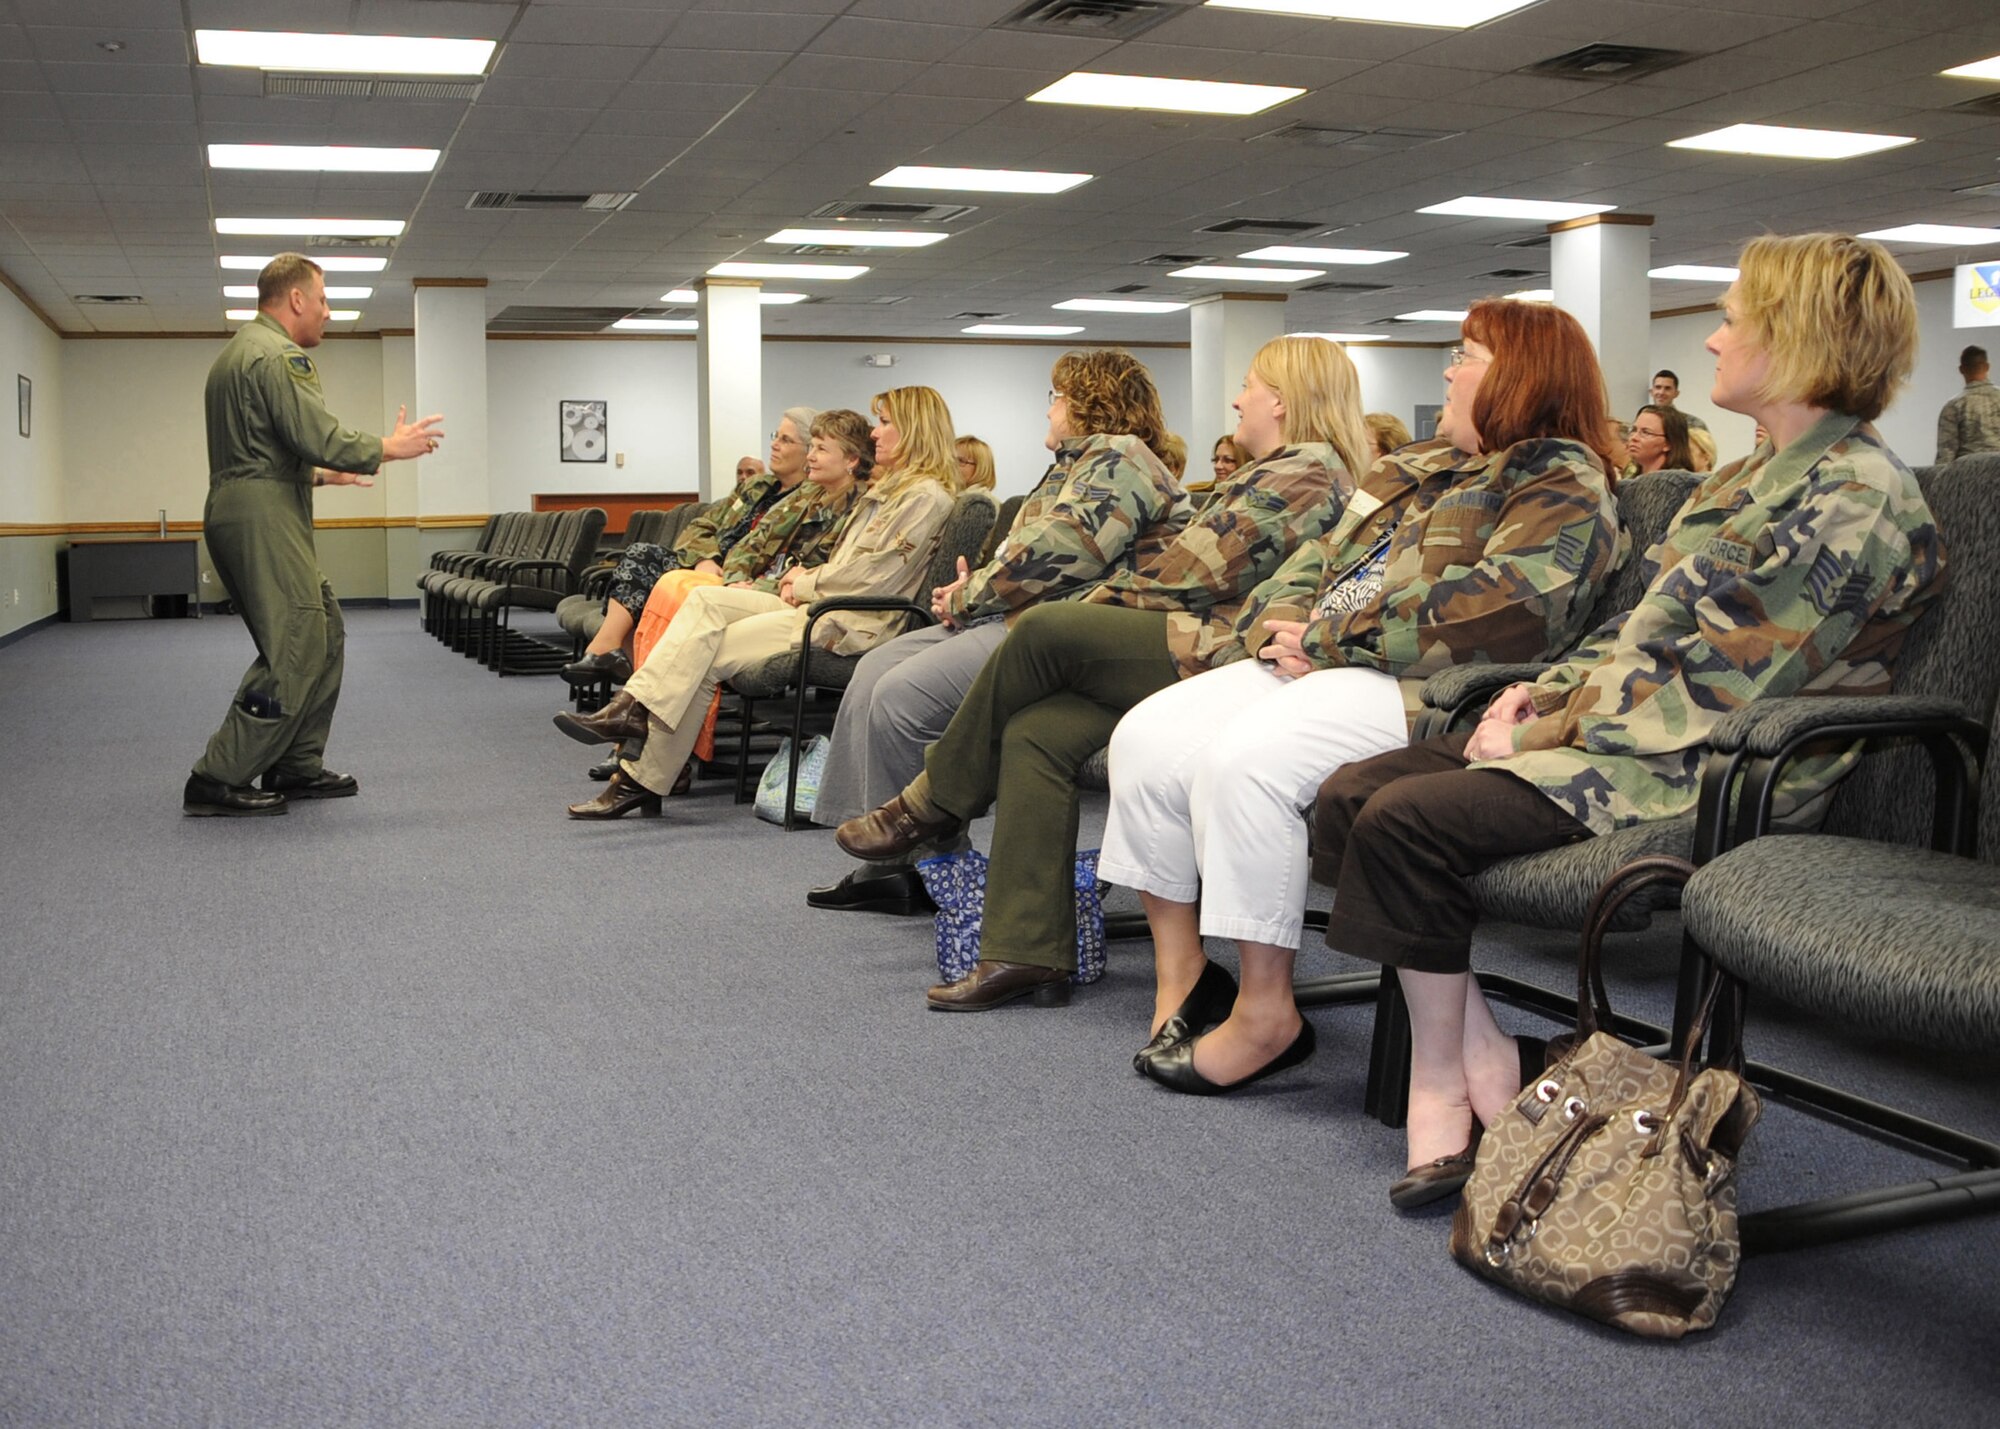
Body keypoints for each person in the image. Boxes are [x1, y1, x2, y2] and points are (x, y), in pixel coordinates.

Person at [1311, 233, 1946, 1208]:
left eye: (1730, 320)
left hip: (1714, 772)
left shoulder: (1852, 498)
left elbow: (1716, 692)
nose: (1711, 341)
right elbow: (1634, 633)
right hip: (1622, 742)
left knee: (1404, 823)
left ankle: (1439, 1085)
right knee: (1350, 793)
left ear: (1796, 339)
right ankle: (1484, 1052)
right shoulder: (1743, 479)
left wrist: (1531, 734)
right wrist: (1538, 694)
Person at [1099, 299, 1628, 1090]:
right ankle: (1185, 977)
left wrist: (1329, 639)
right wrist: (1284, 625)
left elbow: (1506, 610)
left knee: (1243, 764)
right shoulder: (1410, 466)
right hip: (1318, 655)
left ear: (1521, 376)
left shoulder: (1560, 476)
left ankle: (1266, 1012)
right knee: (1143, 739)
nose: (1448, 371)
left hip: (1415, 685)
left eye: (1466, 356)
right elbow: (1318, 561)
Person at [833, 336, 1373, 1011]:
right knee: (1035, 734)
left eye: (1248, 384)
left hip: (1218, 655)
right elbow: (1179, 567)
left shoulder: (1307, 472)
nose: (1237, 398)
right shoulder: (1273, 471)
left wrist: (1096, 597)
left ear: (1283, 401)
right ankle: (1027, 951)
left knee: (1044, 627)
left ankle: (932, 800)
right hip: (1188, 642)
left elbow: (1189, 574)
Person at [804, 350, 1189, 915]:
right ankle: (896, 866)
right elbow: (1026, 555)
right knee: (874, 668)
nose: (1050, 408)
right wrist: (973, 586)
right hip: (1016, 613)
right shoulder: (1075, 465)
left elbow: (1059, 554)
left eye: (1057, 397)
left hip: (1060, 633)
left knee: (902, 696)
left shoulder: (1121, 459)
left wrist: (970, 594)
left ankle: (937, 864)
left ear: (1089, 403)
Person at [552, 395, 958, 818]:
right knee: (703, 613)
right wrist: (803, 581)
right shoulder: (893, 490)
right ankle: (636, 738)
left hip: (849, 623)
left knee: (703, 639)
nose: (875, 432)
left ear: (914, 429)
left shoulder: (923, 498)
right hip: (826, 607)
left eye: (885, 422)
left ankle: (636, 753)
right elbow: (848, 565)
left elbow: (875, 576)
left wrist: (804, 581)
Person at [183, 254, 444, 817]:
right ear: (296, 298)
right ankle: (217, 775)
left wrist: (326, 476)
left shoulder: (238, 353)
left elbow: (262, 452)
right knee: (296, 642)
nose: (328, 312)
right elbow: (315, 434)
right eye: (323, 300)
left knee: (323, 627)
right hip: (262, 517)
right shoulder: (280, 355)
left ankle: (296, 764)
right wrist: (388, 448)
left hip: (247, 505)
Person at [563, 411, 816, 683]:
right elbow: (700, 526)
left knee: (644, 569)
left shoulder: (809, 499)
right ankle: (620, 663)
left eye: (786, 440)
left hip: (738, 580)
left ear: (808, 452)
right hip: (704, 567)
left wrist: (731, 573)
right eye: (775, 436)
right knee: (641, 557)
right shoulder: (756, 487)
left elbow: (780, 558)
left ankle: (619, 666)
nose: (774, 444)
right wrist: (706, 558)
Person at [1935, 344, 2000, 463]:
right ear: (1987, 367)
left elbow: (1945, 456)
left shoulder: (1953, 406)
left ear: (1961, 369)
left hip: (1969, 471)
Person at [1624, 403, 1694, 474]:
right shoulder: (1630, 477)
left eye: (1646, 432)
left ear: (1668, 443)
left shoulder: (1679, 480)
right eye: (1634, 430)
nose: (1634, 438)